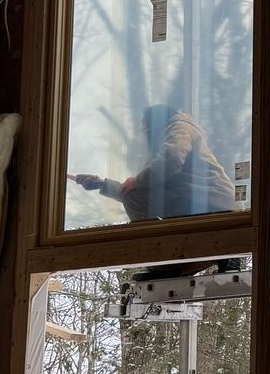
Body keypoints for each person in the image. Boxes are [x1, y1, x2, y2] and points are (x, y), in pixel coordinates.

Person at [71, 105, 241, 278]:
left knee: (135, 196)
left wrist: (135, 182)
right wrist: (102, 184)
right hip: (208, 202)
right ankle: (207, 258)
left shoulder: (179, 127)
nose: (143, 133)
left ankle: (167, 264)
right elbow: (140, 193)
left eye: (144, 127)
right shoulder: (169, 140)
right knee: (135, 195)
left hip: (212, 204)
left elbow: (171, 160)